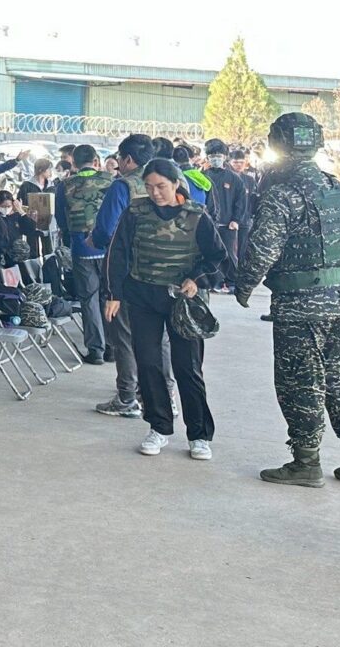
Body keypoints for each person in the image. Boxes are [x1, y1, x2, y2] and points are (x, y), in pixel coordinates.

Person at [235, 113, 340, 488]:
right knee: (337, 377)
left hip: (300, 306)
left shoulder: (282, 193)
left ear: (276, 144)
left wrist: (244, 285)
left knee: (300, 382)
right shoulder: (336, 188)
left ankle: (306, 462)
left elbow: (263, 249)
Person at [102, 158, 224, 461]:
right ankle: (159, 427)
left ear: (176, 184)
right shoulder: (135, 212)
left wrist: (196, 279)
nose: (155, 193)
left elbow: (216, 256)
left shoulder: (196, 215)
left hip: (182, 301)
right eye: (149, 186)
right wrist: (114, 293)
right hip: (143, 297)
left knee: (187, 368)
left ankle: (199, 434)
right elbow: (118, 252)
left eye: (161, 186)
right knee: (148, 363)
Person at [87, 134, 168, 420]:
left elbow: (106, 230)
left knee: (124, 335)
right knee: (161, 337)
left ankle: (127, 397)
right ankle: (165, 396)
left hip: (128, 273)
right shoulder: (171, 180)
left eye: (120, 158)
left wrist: (95, 240)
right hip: (165, 271)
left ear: (128, 159)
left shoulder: (122, 186)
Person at [55, 145, 112, 365]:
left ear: (74, 162)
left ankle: (96, 350)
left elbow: (60, 217)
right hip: (109, 248)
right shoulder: (110, 181)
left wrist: (69, 238)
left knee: (89, 299)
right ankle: (113, 347)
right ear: (96, 161)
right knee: (110, 296)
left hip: (81, 247)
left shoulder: (65, 185)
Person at [201, 138, 253, 289]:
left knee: (229, 253)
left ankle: (232, 281)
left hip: (228, 223)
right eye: (212, 156)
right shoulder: (202, 176)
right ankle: (213, 281)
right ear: (207, 157)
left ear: (224, 157)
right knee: (209, 253)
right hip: (207, 223)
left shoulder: (234, 178)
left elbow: (241, 201)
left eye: (218, 155)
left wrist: (236, 220)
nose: (215, 159)